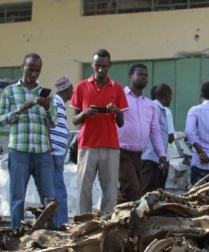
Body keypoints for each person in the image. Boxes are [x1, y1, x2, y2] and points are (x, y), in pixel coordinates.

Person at [0, 53, 57, 228]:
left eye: (37, 70)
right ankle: (16, 234)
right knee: (17, 197)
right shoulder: (10, 91)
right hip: (19, 150)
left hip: (42, 151)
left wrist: (47, 108)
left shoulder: (44, 92)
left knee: (49, 198)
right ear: (22, 67)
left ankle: (51, 235)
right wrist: (20, 109)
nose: (34, 74)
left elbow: (53, 123)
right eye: (30, 69)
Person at [71, 49, 128, 214]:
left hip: (110, 145)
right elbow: (75, 120)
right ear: (92, 65)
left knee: (110, 191)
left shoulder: (117, 88)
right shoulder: (82, 86)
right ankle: (84, 224)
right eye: (97, 66)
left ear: (109, 65)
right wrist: (85, 113)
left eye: (104, 66)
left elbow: (121, 123)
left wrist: (116, 111)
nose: (101, 70)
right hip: (87, 144)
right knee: (84, 189)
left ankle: (106, 225)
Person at [117, 64, 167, 203]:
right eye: (140, 75)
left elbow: (155, 131)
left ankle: (118, 218)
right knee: (132, 188)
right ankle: (124, 219)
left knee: (134, 189)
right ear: (130, 77)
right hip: (121, 151)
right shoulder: (120, 96)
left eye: (146, 76)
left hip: (139, 155)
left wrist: (162, 155)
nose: (144, 78)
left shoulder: (149, 104)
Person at [49, 76, 73, 229]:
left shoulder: (60, 105)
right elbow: (48, 127)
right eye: (71, 88)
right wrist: (51, 151)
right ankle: (60, 225)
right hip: (54, 154)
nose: (73, 91)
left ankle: (58, 223)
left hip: (59, 154)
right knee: (59, 193)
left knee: (58, 192)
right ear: (66, 89)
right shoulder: (55, 103)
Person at [142, 83, 175, 193]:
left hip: (156, 158)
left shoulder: (162, 109)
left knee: (154, 192)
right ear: (165, 96)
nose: (171, 99)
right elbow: (154, 132)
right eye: (170, 96)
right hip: (150, 157)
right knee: (147, 191)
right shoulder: (154, 108)